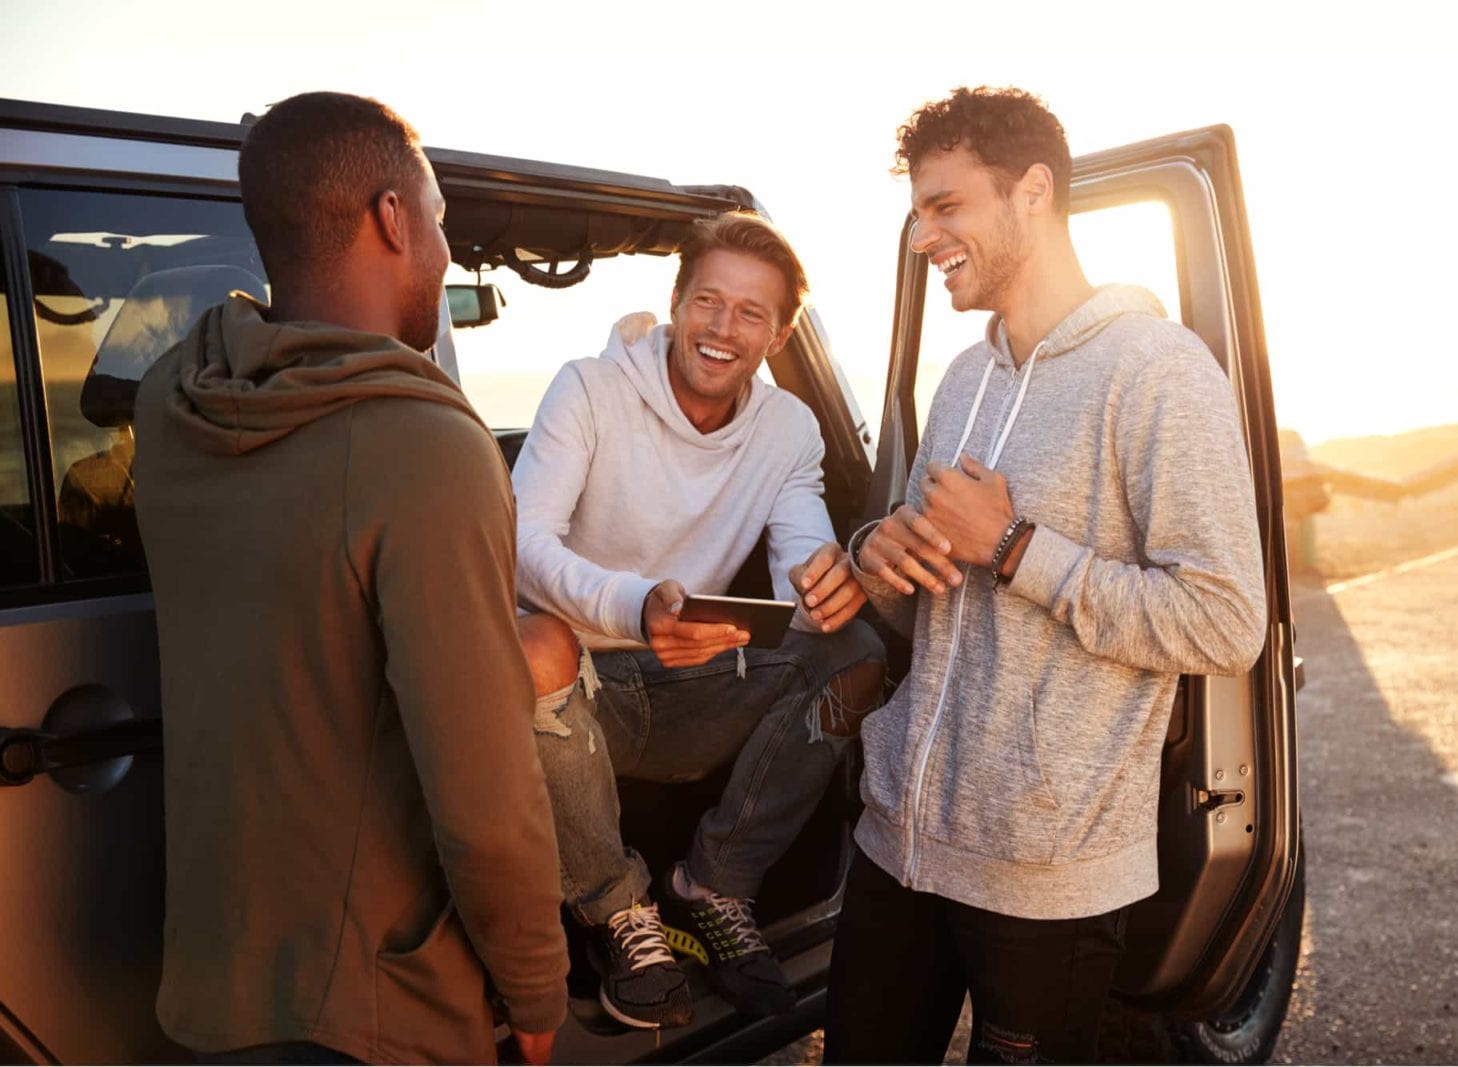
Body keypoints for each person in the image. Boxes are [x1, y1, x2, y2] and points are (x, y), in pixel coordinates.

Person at [824, 87, 1268, 1064]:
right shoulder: (962, 378)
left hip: (1044, 873)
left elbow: (1226, 619)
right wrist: (879, 556)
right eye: (917, 209)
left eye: (944, 206)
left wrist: (1019, 547)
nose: (920, 235)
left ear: (1031, 192)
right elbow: (926, 601)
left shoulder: (1156, 371)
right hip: (898, 840)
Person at [133, 92, 568, 1065]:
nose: (447, 254)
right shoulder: (423, 448)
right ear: (391, 218)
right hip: (372, 1004)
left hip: (212, 977)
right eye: (444, 222)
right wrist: (536, 983)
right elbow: (484, 795)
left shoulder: (175, 400)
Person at [511, 212, 885, 1030]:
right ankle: (618, 910)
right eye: (708, 301)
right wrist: (636, 605)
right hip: (574, 697)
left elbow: (801, 545)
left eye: (752, 313)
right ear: (677, 303)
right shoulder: (589, 387)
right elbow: (521, 542)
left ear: (780, 332)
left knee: (855, 649)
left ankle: (714, 882)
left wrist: (828, 575)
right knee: (534, 648)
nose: (724, 328)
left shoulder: (786, 426)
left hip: (696, 682)